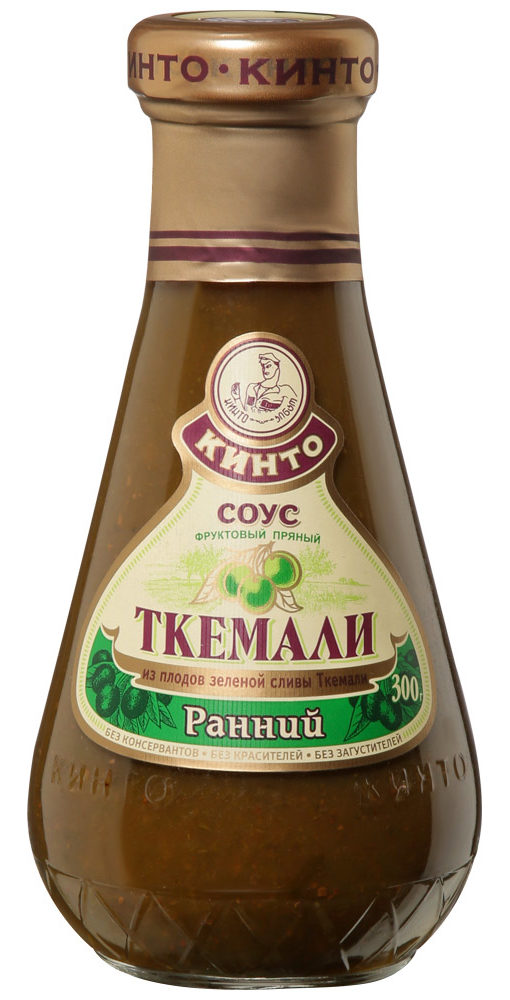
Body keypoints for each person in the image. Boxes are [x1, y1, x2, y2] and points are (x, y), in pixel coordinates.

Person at [231, 352, 297, 422]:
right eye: (263, 366)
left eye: (268, 366)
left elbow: (293, 415)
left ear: (277, 367)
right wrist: (237, 398)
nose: (265, 370)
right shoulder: (252, 388)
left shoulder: (285, 391)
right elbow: (246, 415)